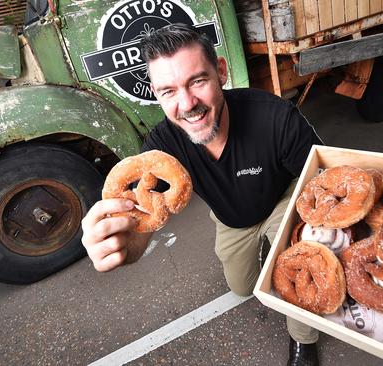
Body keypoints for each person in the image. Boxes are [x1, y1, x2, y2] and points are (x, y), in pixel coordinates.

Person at [81, 23, 323, 366]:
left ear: (221, 71)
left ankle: (304, 340)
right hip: (231, 217)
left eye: (197, 81)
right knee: (242, 287)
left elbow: (325, 184)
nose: (187, 104)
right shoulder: (161, 150)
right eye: (169, 91)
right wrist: (121, 242)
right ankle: (271, 265)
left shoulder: (275, 118)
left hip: (281, 201)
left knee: (299, 263)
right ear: (156, 93)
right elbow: (140, 223)